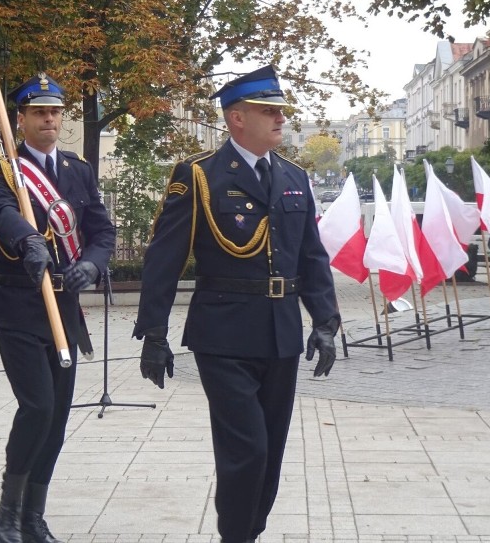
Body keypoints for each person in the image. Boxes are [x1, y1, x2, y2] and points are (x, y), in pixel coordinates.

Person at [133, 65, 340, 543]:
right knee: (245, 450)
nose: (279, 119)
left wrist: (325, 321)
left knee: (270, 453)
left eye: (281, 111)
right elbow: (164, 258)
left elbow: (311, 255)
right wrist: (154, 333)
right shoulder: (200, 175)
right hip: (223, 333)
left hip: (281, 332)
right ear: (236, 118)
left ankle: (248, 531)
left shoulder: (293, 177)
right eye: (268, 111)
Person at [0, 73, 116, 543]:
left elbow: (102, 231)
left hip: (66, 308)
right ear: (20, 119)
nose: (49, 119)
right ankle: (8, 514)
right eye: (39, 112)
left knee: (57, 418)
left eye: (55, 111)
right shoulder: (2, 168)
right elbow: (2, 212)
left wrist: (92, 268)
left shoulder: (77, 169)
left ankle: (34, 515)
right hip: (19, 306)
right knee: (36, 407)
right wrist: (29, 240)